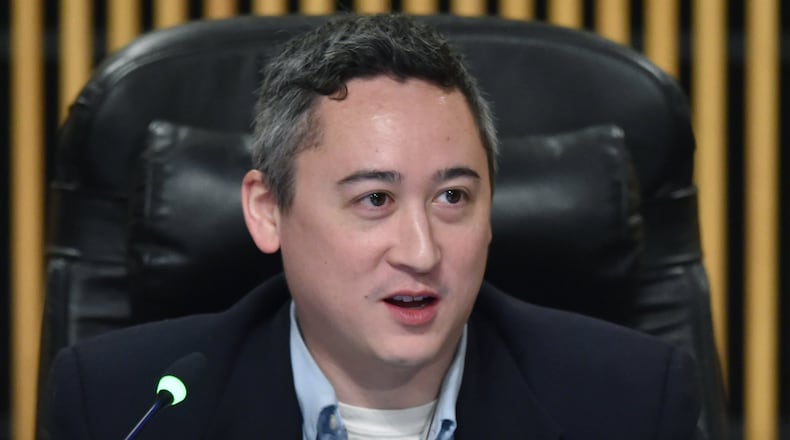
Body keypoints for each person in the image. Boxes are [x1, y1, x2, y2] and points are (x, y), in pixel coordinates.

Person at [41, 13, 701, 440]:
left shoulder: (633, 403)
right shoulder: (124, 407)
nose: (421, 251)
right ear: (267, 210)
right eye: (375, 200)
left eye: (452, 198)